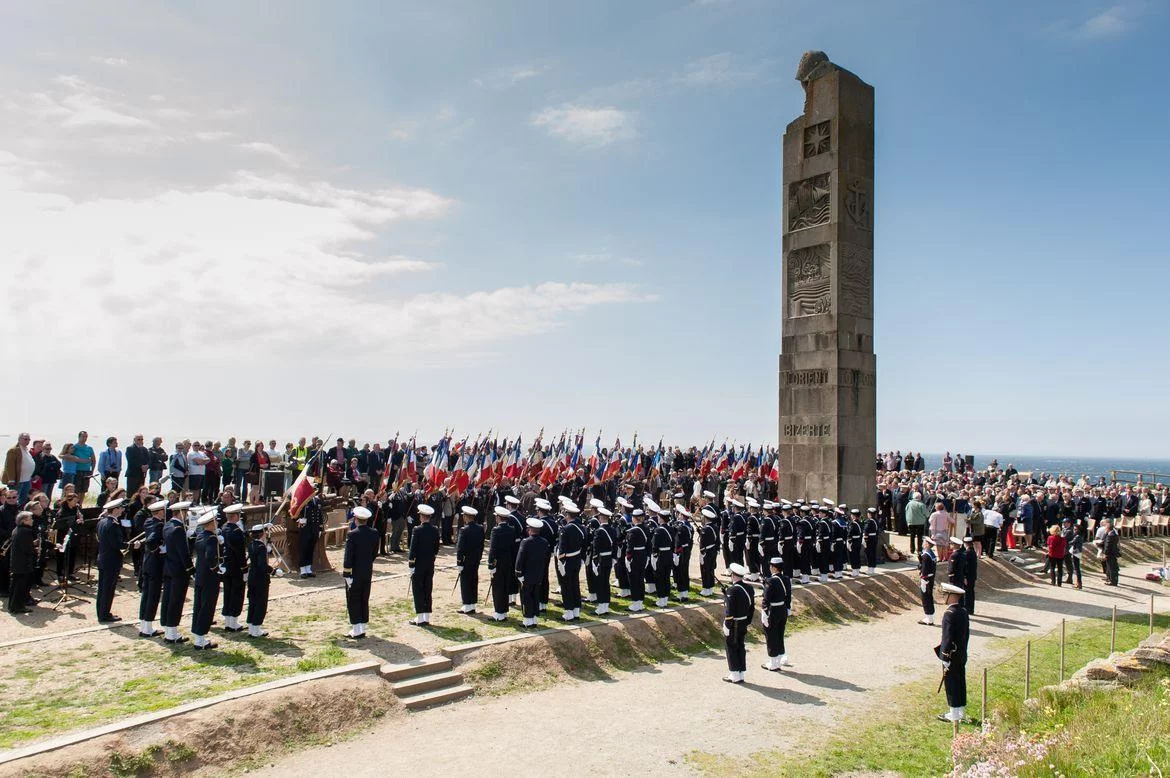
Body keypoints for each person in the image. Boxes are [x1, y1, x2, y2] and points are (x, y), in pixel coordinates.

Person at [935, 582, 970, 723]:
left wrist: (945, 655)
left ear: (951, 596)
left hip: (951, 654)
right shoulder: (963, 611)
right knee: (960, 680)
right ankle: (961, 711)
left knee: (951, 683)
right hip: (961, 652)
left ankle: (954, 713)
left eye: (945, 594)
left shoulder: (949, 613)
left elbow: (947, 637)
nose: (944, 597)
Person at [342, 506, 379, 638]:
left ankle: (356, 629)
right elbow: (375, 552)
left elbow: (348, 557)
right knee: (364, 598)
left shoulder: (352, 534)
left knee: (354, 599)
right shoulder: (374, 533)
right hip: (367, 570)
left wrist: (346, 574)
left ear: (356, 519)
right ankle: (362, 626)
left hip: (354, 572)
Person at [160, 500, 193, 644]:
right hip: (179, 570)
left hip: (169, 567)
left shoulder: (168, 525)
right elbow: (183, 552)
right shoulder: (179, 529)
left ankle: (169, 629)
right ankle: (172, 632)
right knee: (176, 600)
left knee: (168, 599)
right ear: (181, 513)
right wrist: (190, 568)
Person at [136, 498, 168, 637]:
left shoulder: (148, 521)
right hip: (155, 563)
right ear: (160, 512)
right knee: (153, 596)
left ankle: (144, 624)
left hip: (147, 562)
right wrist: (159, 549)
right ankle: (147, 627)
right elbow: (151, 541)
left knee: (146, 594)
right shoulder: (159, 525)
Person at [190, 510, 221, 650]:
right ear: (211, 523)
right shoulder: (211, 538)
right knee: (207, 607)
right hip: (209, 577)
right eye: (215, 521)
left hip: (200, 576)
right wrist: (216, 568)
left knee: (198, 606)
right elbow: (210, 557)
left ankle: (198, 635)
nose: (217, 523)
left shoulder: (200, 536)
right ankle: (200, 638)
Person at [95, 497, 127, 623]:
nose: (122, 510)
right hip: (111, 560)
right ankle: (104, 614)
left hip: (103, 558)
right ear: (115, 510)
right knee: (108, 589)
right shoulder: (113, 524)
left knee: (103, 588)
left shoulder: (102, 522)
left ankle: (101, 612)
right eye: (120, 508)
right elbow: (116, 544)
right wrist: (130, 545)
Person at [515, 517, 551, 628]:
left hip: (527, 574)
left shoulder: (526, 542)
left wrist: (518, 573)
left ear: (530, 529)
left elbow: (520, 559)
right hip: (539, 574)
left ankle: (527, 620)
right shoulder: (544, 542)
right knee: (535, 596)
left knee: (526, 597)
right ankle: (534, 619)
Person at [722, 562, 754, 684]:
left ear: (733, 575)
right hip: (743, 621)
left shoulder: (732, 590)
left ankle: (734, 674)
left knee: (731, 647)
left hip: (734, 623)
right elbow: (751, 608)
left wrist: (727, 625)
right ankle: (740, 672)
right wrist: (747, 621)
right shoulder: (749, 588)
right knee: (740, 646)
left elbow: (730, 611)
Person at [407, 503, 439, 625]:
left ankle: (420, 617)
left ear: (421, 516)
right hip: (430, 563)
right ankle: (426, 616)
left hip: (419, 564)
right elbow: (436, 548)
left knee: (418, 589)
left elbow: (413, 549)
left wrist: (411, 564)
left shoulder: (417, 530)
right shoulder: (435, 529)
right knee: (427, 588)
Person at [760, 557, 792, 672]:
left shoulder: (770, 581)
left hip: (773, 611)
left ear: (774, 567)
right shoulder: (786, 579)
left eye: (771, 566)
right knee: (779, 634)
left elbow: (766, 599)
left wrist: (764, 612)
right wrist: (788, 607)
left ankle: (774, 663)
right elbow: (788, 595)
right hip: (783, 609)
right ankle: (779, 658)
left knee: (771, 635)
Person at [246, 522, 277, 638]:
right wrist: (273, 571)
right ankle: (256, 628)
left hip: (252, 577)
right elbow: (262, 565)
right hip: (260, 579)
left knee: (252, 602)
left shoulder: (251, 545)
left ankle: (251, 627)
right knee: (260, 603)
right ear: (261, 534)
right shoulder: (260, 547)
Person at [219, 504, 247, 631]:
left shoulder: (224, 528)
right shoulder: (236, 531)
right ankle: (233, 622)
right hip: (236, 567)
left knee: (228, 592)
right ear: (235, 516)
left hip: (226, 565)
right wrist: (244, 568)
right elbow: (240, 553)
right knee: (236, 593)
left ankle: (228, 621)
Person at [487, 506, 516, 621]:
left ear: (498, 518)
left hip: (498, 562)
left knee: (498, 587)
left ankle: (499, 612)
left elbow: (493, 549)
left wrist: (491, 564)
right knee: (505, 586)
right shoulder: (511, 529)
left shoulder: (496, 530)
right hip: (508, 561)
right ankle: (504, 611)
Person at [6, 511, 37, 614]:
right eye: (30, 519)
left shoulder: (16, 529)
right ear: (24, 521)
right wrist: (35, 548)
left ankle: (12, 606)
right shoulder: (26, 531)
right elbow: (27, 549)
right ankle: (18, 607)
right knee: (20, 586)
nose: (32, 520)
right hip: (23, 563)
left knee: (15, 586)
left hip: (16, 562)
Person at [455, 506, 484, 614]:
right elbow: (481, 545)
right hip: (475, 559)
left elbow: (460, 548)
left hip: (466, 560)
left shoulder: (464, 530)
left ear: (466, 517)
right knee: (473, 580)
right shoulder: (480, 528)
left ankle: (467, 604)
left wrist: (459, 562)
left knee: (466, 582)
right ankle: (472, 604)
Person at [592, 506, 616, 615]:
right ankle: (605, 605)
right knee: (606, 582)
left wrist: (595, 560)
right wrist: (614, 557)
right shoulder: (612, 529)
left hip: (601, 559)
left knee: (600, 583)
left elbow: (596, 548)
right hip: (609, 558)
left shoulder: (599, 531)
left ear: (601, 518)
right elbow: (615, 545)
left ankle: (601, 606)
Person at [297, 492, 324, 578]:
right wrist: (299, 519)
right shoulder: (303, 500)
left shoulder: (317, 500)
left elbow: (320, 515)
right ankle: (303, 570)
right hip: (306, 528)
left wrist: (320, 528)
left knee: (311, 549)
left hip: (315, 529)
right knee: (304, 548)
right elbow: (296, 512)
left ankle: (308, 569)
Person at [3, 433, 35, 504]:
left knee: (24, 499)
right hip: (17, 480)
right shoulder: (13, 450)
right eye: (25, 439)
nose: (27, 441)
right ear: (19, 439)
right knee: (14, 499)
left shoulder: (26, 449)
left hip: (27, 479)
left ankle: (21, 510)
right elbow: (9, 465)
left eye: (29, 439)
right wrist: (11, 479)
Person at [698, 507, 719, 596]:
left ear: (705, 518)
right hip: (713, 550)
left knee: (705, 570)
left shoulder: (705, 529)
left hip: (706, 551)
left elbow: (703, 542)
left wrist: (702, 552)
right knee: (710, 569)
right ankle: (710, 588)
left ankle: (706, 589)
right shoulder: (715, 527)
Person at [918, 536, 938, 626]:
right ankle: (930, 617)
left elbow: (925, 569)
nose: (923, 543)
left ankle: (928, 618)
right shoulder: (931, 554)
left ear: (927, 544)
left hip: (926, 579)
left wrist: (923, 578)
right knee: (929, 597)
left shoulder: (926, 555)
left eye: (924, 542)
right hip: (931, 578)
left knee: (925, 598)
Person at [1061, 518, 1083, 589]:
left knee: (1077, 569)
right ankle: (1078, 582)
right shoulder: (1077, 536)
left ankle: (1079, 583)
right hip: (1076, 552)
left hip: (1076, 553)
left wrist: (1067, 541)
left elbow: (1071, 542)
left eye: (1075, 529)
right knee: (1076, 568)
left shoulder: (1077, 536)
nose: (1074, 530)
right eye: (1074, 529)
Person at [1098, 518, 1120, 586]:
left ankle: (1113, 581)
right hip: (1112, 553)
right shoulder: (1111, 534)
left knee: (1111, 567)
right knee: (1109, 567)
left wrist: (1105, 554)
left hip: (1110, 553)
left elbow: (1108, 546)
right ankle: (1110, 579)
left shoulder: (1111, 535)